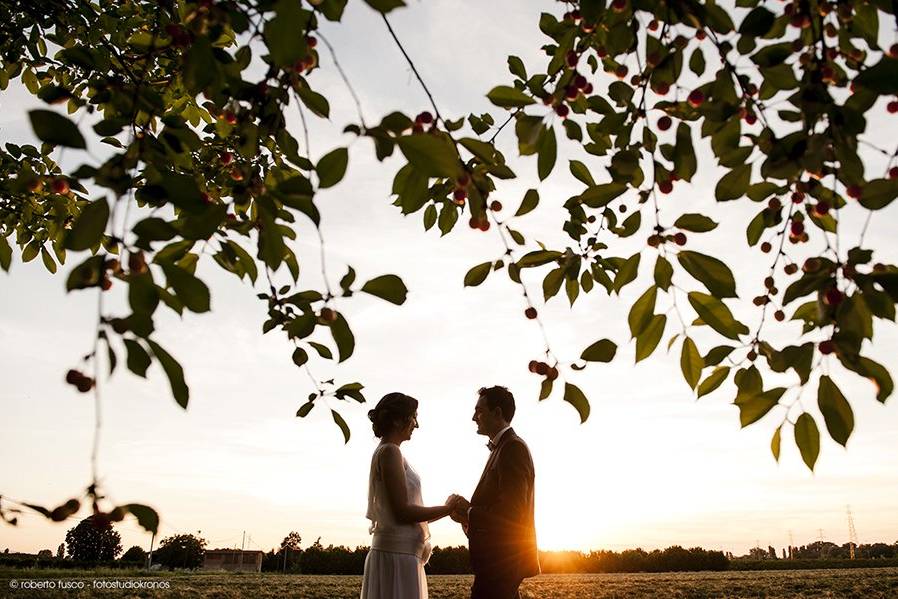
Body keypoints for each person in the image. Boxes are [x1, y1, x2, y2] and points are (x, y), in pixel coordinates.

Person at [361, 392, 460, 599]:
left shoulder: (391, 452)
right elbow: (403, 512)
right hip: (396, 559)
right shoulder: (390, 452)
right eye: (414, 416)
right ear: (398, 420)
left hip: (402, 555)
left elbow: (410, 511)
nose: (416, 424)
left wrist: (445, 509)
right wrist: (448, 509)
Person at [450, 386, 540, 599]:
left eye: (479, 411)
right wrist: (465, 516)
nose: (474, 417)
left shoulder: (513, 448)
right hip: (495, 565)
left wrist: (469, 510)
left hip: (502, 564)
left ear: (497, 413)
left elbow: (512, 513)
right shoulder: (502, 448)